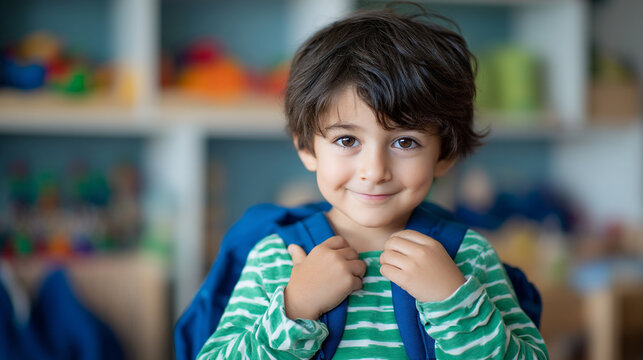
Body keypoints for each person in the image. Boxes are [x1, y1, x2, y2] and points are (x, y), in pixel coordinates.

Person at [197, 5, 548, 360]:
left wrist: (454, 301)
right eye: (347, 141)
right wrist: (297, 307)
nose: (375, 170)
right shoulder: (278, 259)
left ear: (444, 155)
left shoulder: (467, 256)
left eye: (404, 142)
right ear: (306, 147)